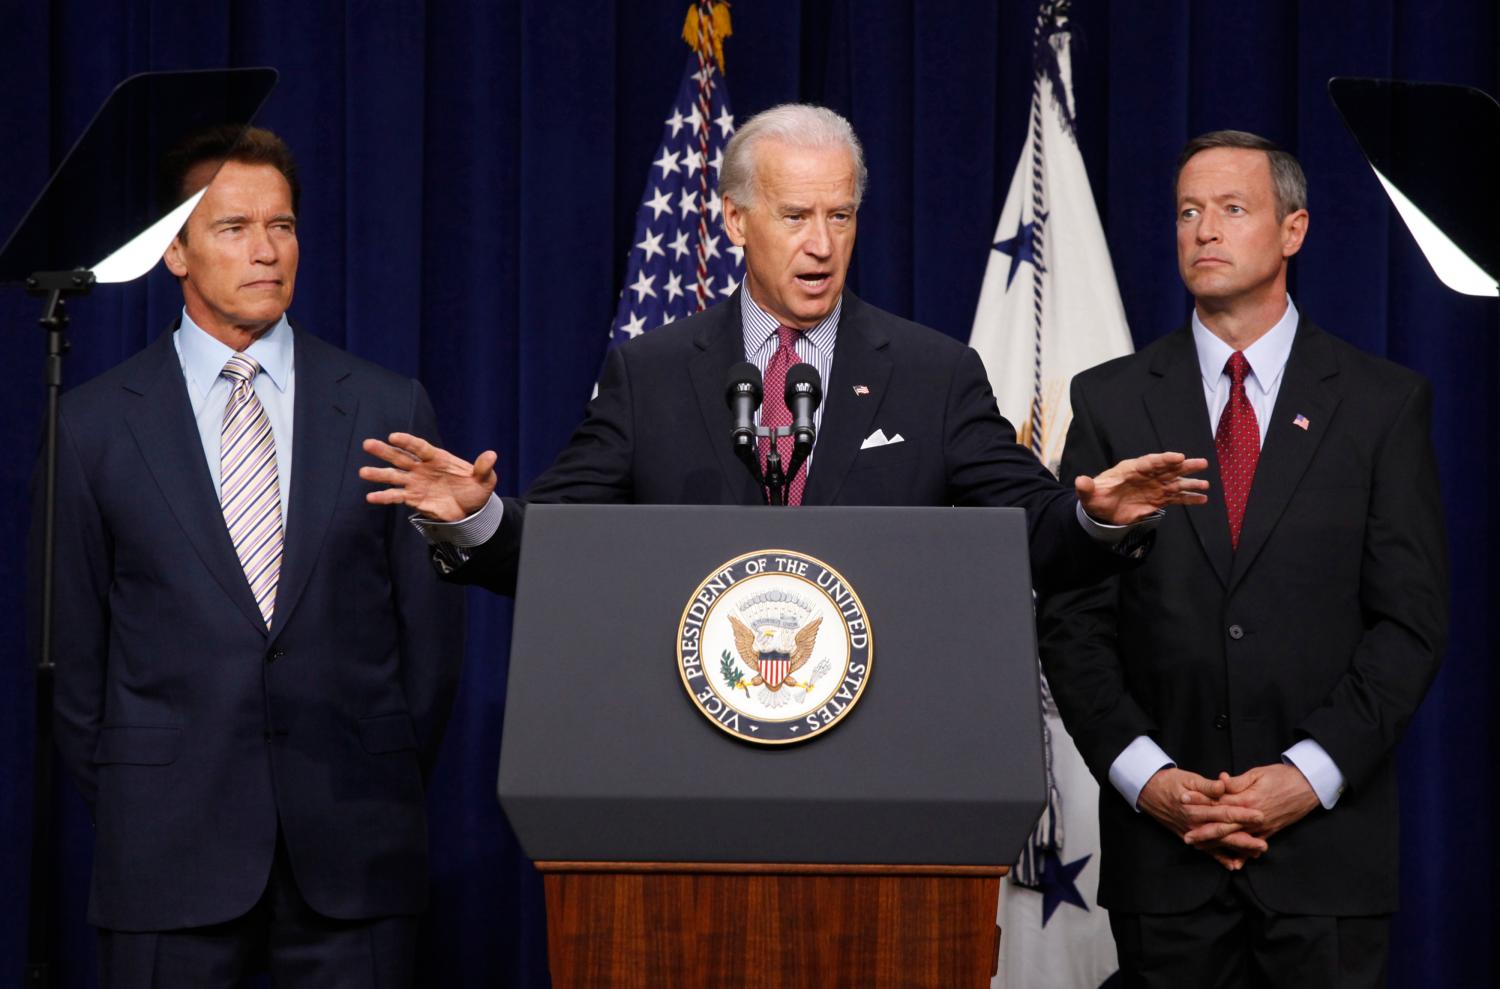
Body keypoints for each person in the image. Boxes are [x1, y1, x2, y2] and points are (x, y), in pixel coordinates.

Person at [360, 104, 1207, 592]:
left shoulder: (932, 374)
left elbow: (1031, 529)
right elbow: (557, 545)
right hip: (692, 742)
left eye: (839, 216)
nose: (822, 244)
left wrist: (1096, 517)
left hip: (876, 746)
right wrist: (475, 517)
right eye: (795, 216)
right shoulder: (649, 374)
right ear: (735, 220)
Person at [38, 126, 464, 986]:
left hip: (354, 862)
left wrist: (368, 776)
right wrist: (152, 793)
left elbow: (430, 650)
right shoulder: (90, 428)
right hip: (168, 865)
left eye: (284, 225)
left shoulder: (385, 404)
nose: (267, 250)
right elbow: (73, 668)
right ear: (176, 251)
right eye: (234, 227)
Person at [1038, 130, 1447, 987]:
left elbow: (1408, 626)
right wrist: (1152, 782)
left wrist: (1305, 777)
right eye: (1188, 211)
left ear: (1293, 230)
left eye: (1232, 209)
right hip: (1167, 867)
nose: (1204, 231)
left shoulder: (1381, 405)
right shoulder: (1111, 401)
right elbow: (1072, 623)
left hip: (1327, 865)